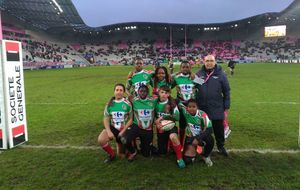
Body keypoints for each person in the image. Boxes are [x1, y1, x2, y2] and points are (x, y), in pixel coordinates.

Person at [194, 54, 230, 156]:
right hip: (203, 107)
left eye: (211, 61)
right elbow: (196, 85)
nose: (209, 63)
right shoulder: (199, 74)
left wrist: (226, 106)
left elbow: (226, 91)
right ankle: (202, 145)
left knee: (218, 128)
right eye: (207, 61)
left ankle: (221, 146)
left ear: (215, 62)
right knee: (203, 128)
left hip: (217, 106)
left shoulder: (221, 74)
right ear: (204, 62)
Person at [98, 83, 133, 163]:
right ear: (114, 91)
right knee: (101, 139)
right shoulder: (109, 104)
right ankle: (111, 154)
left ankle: (127, 148)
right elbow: (106, 119)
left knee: (121, 155)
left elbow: (131, 119)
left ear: (123, 92)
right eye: (117, 90)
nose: (119, 92)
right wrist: (109, 131)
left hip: (123, 130)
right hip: (113, 128)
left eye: (121, 90)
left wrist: (123, 131)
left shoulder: (127, 104)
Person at [122, 85, 158, 161]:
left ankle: (145, 145)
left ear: (147, 92)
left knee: (146, 154)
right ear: (138, 92)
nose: (143, 93)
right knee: (124, 139)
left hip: (148, 129)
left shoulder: (153, 100)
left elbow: (163, 98)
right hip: (136, 126)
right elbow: (121, 100)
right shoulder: (133, 100)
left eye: (144, 91)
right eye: (141, 91)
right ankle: (133, 151)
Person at [154, 86, 185, 168]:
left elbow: (177, 117)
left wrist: (163, 117)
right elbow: (152, 115)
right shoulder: (155, 103)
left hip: (171, 125)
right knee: (162, 152)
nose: (164, 94)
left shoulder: (172, 103)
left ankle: (179, 158)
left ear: (169, 94)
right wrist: (157, 123)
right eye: (162, 92)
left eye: (166, 93)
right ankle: (169, 145)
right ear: (159, 93)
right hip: (161, 127)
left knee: (173, 136)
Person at [178, 99, 214, 167]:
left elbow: (209, 129)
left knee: (210, 139)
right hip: (190, 137)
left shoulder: (202, 115)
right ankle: (193, 152)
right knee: (187, 161)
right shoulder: (185, 111)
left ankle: (206, 156)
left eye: (194, 107)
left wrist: (198, 138)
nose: (191, 109)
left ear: (197, 107)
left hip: (202, 136)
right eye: (189, 107)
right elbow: (178, 101)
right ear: (187, 107)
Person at [172, 60, 195, 145]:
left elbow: (203, 83)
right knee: (182, 125)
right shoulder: (177, 78)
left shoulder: (194, 77)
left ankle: (194, 143)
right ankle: (181, 142)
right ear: (180, 68)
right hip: (181, 105)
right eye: (183, 67)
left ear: (190, 68)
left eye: (187, 67)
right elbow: (168, 85)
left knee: (193, 124)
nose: (185, 69)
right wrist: (175, 74)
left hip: (192, 106)